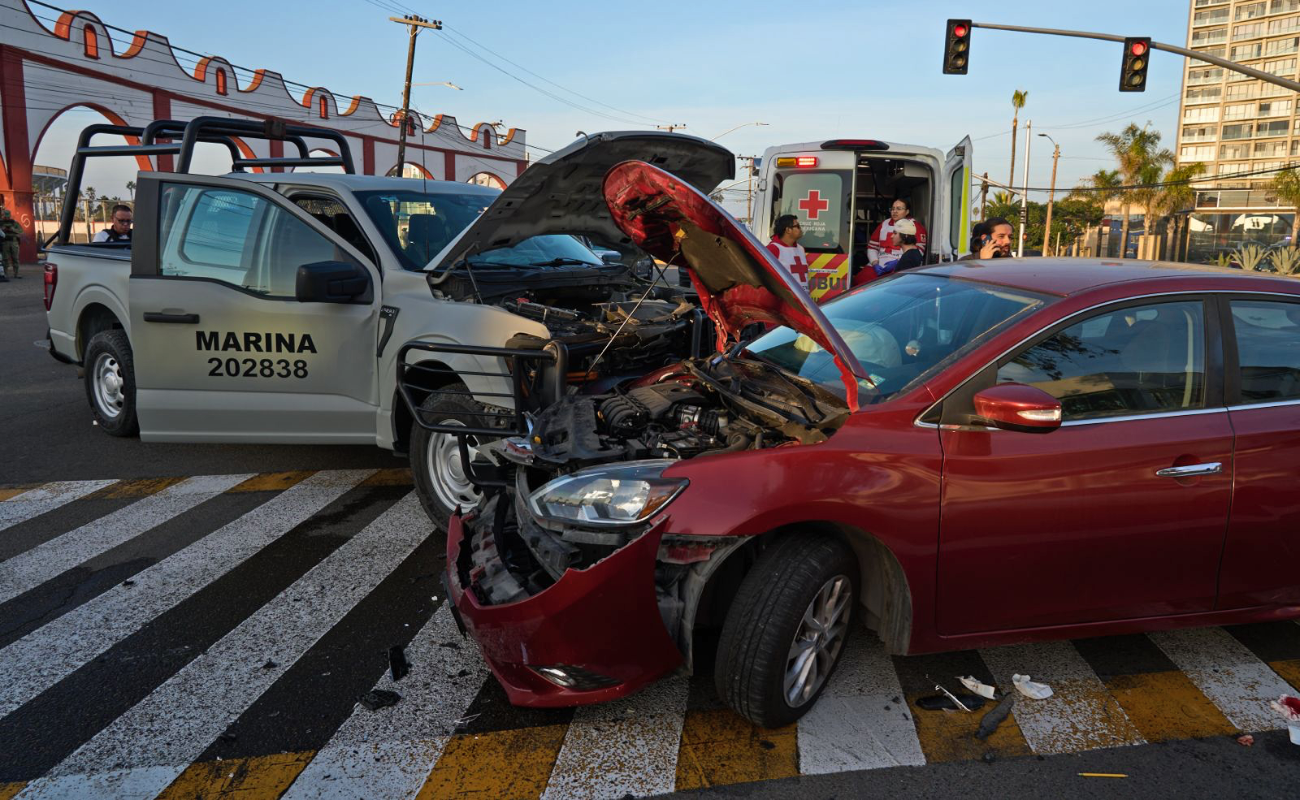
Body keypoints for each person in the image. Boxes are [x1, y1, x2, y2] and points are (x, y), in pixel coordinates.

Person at [852, 218, 922, 287]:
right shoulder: (914, 253)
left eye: (895, 233)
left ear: (905, 236)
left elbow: (902, 287)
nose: (891, 236)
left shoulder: (907, 260)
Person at [867, 197, 927, 270]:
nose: (894, 211)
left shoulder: (914, 226)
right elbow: (872, 247)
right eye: (892, 209)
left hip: (899, 264)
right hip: (878, 264)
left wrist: (898, 262)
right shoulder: (884, 224)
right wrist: (875, 263)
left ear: (907, 211)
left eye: (898, 209)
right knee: (860, 279)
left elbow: (917, 252)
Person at [766, 213, 809, 288]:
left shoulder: (800, 249)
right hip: (787, 298)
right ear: (788, 230)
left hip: (803, 296)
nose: (800, 229)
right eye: (797, 226)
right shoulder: (773, 249)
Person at [0, 205, 22, 280]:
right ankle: (5, 274)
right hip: (5, 242)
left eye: (8, 216)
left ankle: (16, 273)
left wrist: (13, 229)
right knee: (5, 259)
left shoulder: (14, 223)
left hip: (13, 242)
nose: (7, 218)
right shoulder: (1, 223)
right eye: (5, 216)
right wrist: (2, 229)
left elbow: (21, 231)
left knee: (15, 258)